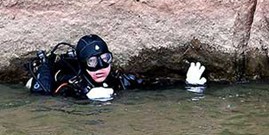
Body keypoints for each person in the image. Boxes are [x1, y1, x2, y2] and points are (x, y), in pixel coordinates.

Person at [26, 34, 207, 100]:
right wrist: (84, 97)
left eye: (105, 59)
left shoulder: (119, 79)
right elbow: (60, 95)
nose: (100, 67)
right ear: (83, 64)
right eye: (92, 63)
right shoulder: (73, 83)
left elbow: (153, 85)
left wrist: (188, 85)